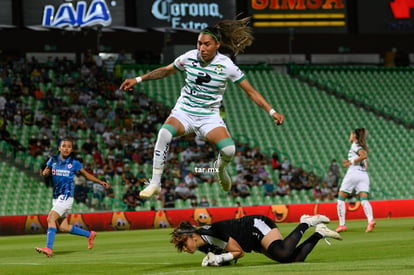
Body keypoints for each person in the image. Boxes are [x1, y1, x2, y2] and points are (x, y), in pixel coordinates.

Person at [120, 18, 284, 198]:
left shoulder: (227, 66)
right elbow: (165, 70)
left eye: (206, 44)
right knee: (164, 133)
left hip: (209, 117)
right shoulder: (189, 57)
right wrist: (138, 79)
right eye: (199, 43)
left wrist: (272, 111)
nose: (202, 48)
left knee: (229, 150)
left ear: (217, 45)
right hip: (184, 112)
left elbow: (251, 92)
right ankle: (155, 183)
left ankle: (220, 169)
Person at [35, 138, 111, 257]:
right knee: (64, 227)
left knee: (50, 218)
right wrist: (44, 173)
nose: (66, 148)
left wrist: (100, 182)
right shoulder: (52, 160)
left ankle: (48, 248)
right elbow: (46, 172)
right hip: (56, 197)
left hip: (66, 196)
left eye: (69, 146)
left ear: (71, 149)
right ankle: (89, 235)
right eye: (64, 146)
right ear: (59, 148)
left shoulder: (74, 163)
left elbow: (86, 175)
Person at [170, 214, 341, 267]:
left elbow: (238, 253)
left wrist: (218, 258)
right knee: (292, 259)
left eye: (184, 244)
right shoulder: (203, 246)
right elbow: (233, 259)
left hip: (255, 226)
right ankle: (319, 233)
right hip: (251, 241)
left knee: (282, 252)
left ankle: (306, 222)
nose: (184, 248)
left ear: (192, 236)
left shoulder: (213, 232)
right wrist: (217, 261)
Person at [336, 128, 376, 233]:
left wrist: (350, 163)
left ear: (354, 136)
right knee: (364, 199)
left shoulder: (355, 145)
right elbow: (366, 165)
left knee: (341, 198)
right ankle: (370, 220)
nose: (350, 136)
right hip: (363, 174)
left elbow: (363, 156)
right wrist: (350, 162)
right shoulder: (361, 147)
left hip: (353, 173)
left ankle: (342, 225)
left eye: (351, 134)